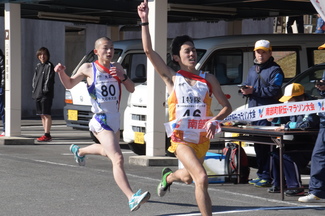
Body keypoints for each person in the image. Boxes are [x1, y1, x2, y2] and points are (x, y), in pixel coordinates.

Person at [137, 1, 232, 216]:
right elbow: (148, 51)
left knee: (189, 178)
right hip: (181, 139)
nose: (192, 54)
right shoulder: (173, 78)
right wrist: (144, 21)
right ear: (176, 57)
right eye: (187, 51)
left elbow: (226, 107)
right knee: (201, 178)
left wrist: (215, 119)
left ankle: (168, 177)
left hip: (202, 139)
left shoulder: (208, 79)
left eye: (194, 51)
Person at [54, 37, 150, 211]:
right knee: (118, 158)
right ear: (96, 51)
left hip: (114, 119)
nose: (109, 51)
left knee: (108, 152)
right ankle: (131, 197)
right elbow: (69, 84)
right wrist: (61, 72)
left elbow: (131, 88)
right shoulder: (88, 68)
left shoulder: (117, 67)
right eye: (105, 48)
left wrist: (123, 77)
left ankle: (80, 150)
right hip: (101, 120)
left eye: (112, 48)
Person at [240, 39, 284, 187]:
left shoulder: (275, 70)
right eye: (258, 52)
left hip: (268, 113)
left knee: (268, 146)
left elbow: (275, 91)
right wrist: (245, 91)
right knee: (258, 145)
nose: (260, 55)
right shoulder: (252, 69)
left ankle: (268, 176)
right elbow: (249, 85)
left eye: (264, 52)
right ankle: (261, 174)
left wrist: (254, 91)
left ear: (270, 53)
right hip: (254, 112)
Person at [267, 83, 319, 196]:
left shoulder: (312, 105)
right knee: (276, 153)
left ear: (299, 97)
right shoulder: (293, 105)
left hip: (311, 142)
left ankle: (296, 187)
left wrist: (287, 126)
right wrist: (275, 118)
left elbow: (308, 123)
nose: (287, 102)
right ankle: (279, 184)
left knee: (287, 155)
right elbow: (285, 118)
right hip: (296, 140)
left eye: (290, 99)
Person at [298, 71, 325, 203]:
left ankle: (317, 191)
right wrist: (323, 89)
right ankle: (316, 191)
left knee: (319, 156)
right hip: (324, 124)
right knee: (318, 156)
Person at [32, 47, 55, 142]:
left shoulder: (49, 66)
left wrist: (45, 91)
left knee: (46, 114)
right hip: (37, 93)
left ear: (48, 56)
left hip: (46, 94)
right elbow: (34, 79)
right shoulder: (38, 66)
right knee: (41, 114)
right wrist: (34, 90)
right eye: (40, 54)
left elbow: (48, 80)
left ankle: (47, 134)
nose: (42, 56)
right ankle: (45, 133)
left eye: (44, 54)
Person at [0, 49, 5, 136]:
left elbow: (4, 70)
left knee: (2, 108)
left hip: (0, 86)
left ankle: (5, 128)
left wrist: (3, 84)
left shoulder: (0, 56)